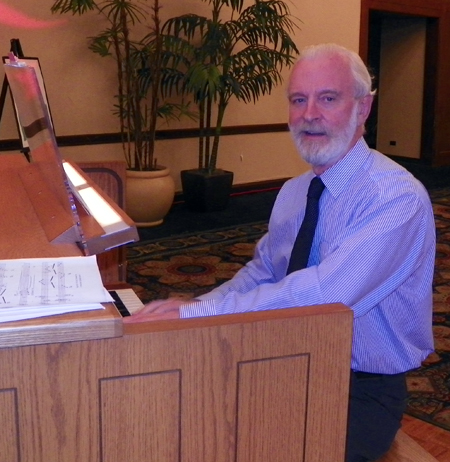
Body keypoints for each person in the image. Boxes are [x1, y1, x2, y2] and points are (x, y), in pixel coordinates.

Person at [124, 43, 436, 461]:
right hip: (282, 356)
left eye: (328, 99)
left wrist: (198, 315)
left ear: (363, 108)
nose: (310, 114)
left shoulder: (394, 198)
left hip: (358, 389)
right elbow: (262, 272)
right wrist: (194, 308)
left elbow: (326, 296)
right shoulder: (294, 192)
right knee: (174, 417)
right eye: (298, 100)